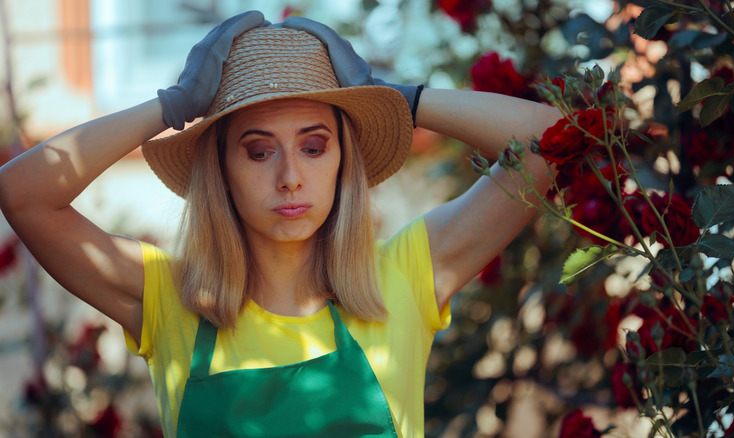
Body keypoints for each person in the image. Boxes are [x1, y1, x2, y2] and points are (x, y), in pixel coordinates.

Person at [0, 10, 559, 437]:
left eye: (315, 147)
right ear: (221, 169)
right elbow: (22, 194)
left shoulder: (406, 276)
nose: (291, 177)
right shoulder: (167, 299)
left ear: (345, 160)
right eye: (259, 151)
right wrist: (169, 108)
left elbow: (554, 147)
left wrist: (401, 99)